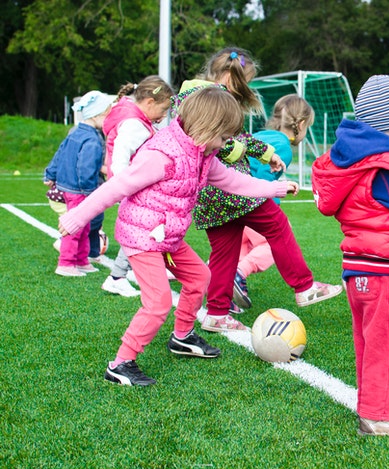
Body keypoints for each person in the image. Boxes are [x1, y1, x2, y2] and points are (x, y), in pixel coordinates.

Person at [58, 86, 299, 386]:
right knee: (158, 302)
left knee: (200, 277)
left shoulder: (203, 154)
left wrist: (275, 188)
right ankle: (120, 364)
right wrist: (77, 217)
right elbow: (117, 187)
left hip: (167, 237)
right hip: (142, 237)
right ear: (207, 127)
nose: (226, 145)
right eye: (224, 138)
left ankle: (182, 337)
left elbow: (233, 181)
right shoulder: (162, 155)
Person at [175, 47, 342, 332]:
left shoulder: (197, 94)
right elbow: (217, 142)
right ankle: (304, 286)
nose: (245, 88)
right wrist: (242, 152)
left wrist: (267, 154)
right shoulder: (207, 99)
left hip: (209, 195)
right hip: (230, 188)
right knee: (277, 225)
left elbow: (238, 136)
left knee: (224, 252)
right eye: (244, 81)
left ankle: (216, 313)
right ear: (229, 76)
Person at [311, 75, 389, 436]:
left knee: (372, 343)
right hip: (382, 274)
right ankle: (380, 416)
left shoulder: (358, 163)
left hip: (361, 268)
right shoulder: (384, 167)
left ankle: (377, 403)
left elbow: (376, 212)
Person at [232, 94, 315, 313]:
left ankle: (223, 287)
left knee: (239, 246)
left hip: (231, 199)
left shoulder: (261, 135)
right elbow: (261, 174)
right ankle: (239, 273)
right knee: (273, 243)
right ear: (302, 124)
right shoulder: (284, 148)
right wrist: (272, 198)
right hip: (251, 203)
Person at [100, 75, 175, 298]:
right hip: (133, 187)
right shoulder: (134, 125)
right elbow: (121, 158)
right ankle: (117, 277)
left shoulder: (135, 118)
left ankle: (128, 272)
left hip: (134, 186)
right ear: (149, 103)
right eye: (163, 110)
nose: (163, 117)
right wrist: (126, 185)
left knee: (146, 228)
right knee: (141, 230)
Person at [44, 90, 114, 277]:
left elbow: (59, 152)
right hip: (80, 190)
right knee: (76, 226)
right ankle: (66, 263)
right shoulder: (92, 139)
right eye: (107, 115)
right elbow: (86, 167)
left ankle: (81, 261)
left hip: (70, 187)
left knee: (84, 225)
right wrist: (90, 192)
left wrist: (50, 173)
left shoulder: (75, 132)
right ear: (97, 115)